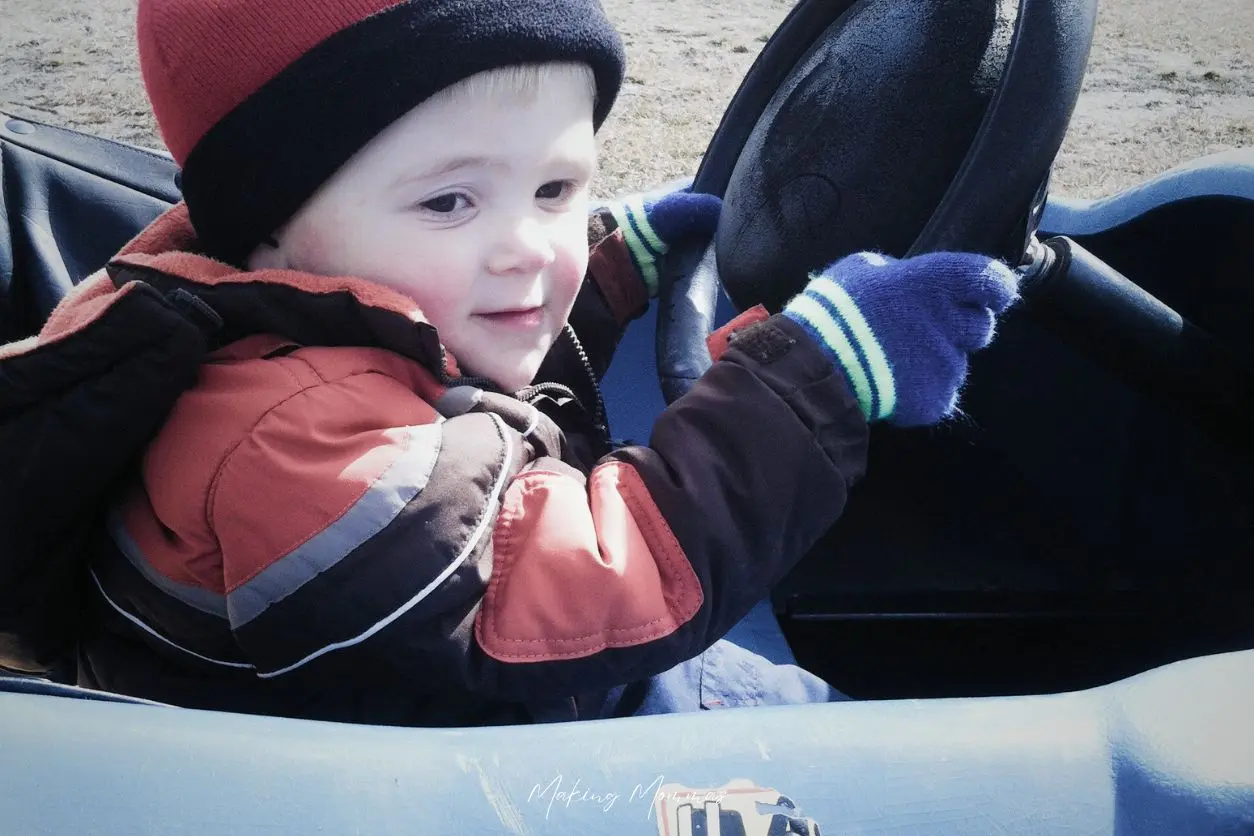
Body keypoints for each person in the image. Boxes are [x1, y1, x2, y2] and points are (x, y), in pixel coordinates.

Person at [0, 0, 1017, 725]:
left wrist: (615, 268)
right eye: (452, 200)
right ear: (269, 230)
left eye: (557, 188)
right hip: (483, 745)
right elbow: (575, 592)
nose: (531, 248)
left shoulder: (319, 321)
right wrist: (815, 376)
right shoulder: (282, 441)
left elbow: (468, 418)